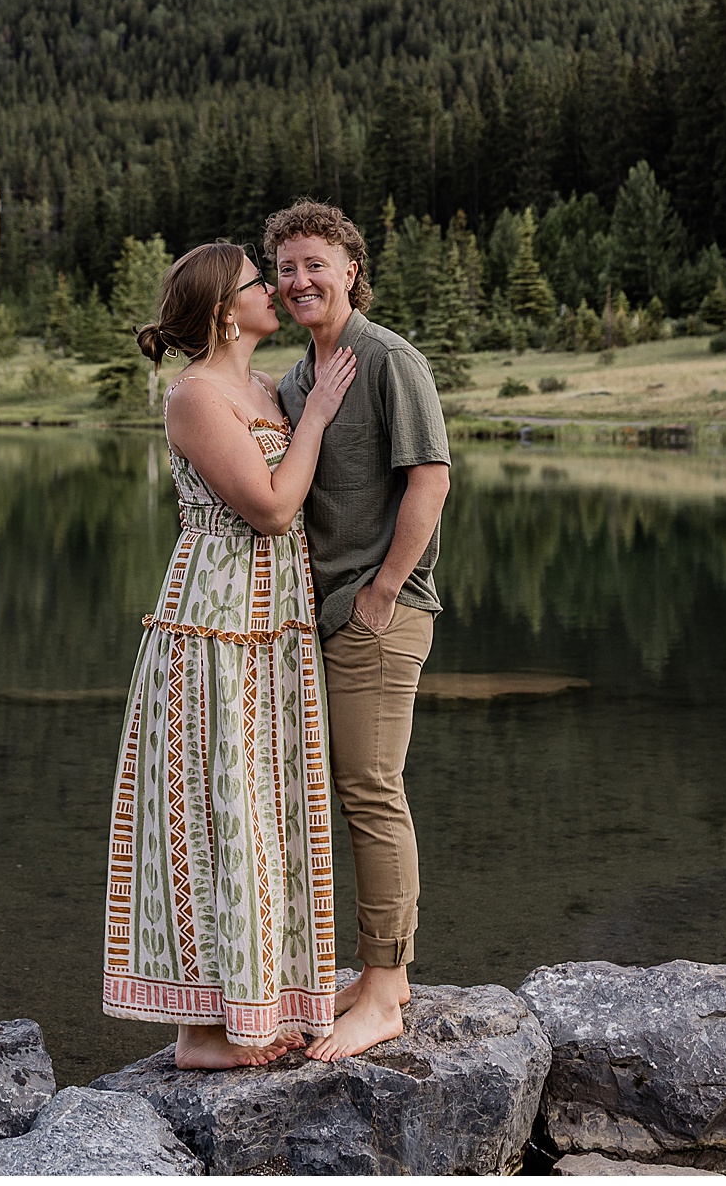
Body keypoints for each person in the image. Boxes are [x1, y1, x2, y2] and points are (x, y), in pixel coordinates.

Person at [103, 240, 357, 1070]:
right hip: (213, 629)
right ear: (223, 309)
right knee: (216, 817)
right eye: (260, 282)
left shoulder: (260, 387)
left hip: (272, 629)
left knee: (263, 816)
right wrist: (315, 416)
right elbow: (273, 510)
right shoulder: (196, 396)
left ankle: (255, 1010)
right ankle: (197, 1034)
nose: (276, 293)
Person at [266, 200, 451, 1061]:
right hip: (323, 615)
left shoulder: (387, 360)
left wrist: (383, 593)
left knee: (372, 790)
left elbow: (430, 482)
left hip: (379, 614)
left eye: (315, 264)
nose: (299, 280)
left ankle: (382, 993)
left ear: (350, 269)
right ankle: (391, 973)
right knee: (347, 794)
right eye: (285, 268)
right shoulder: (301, 378)